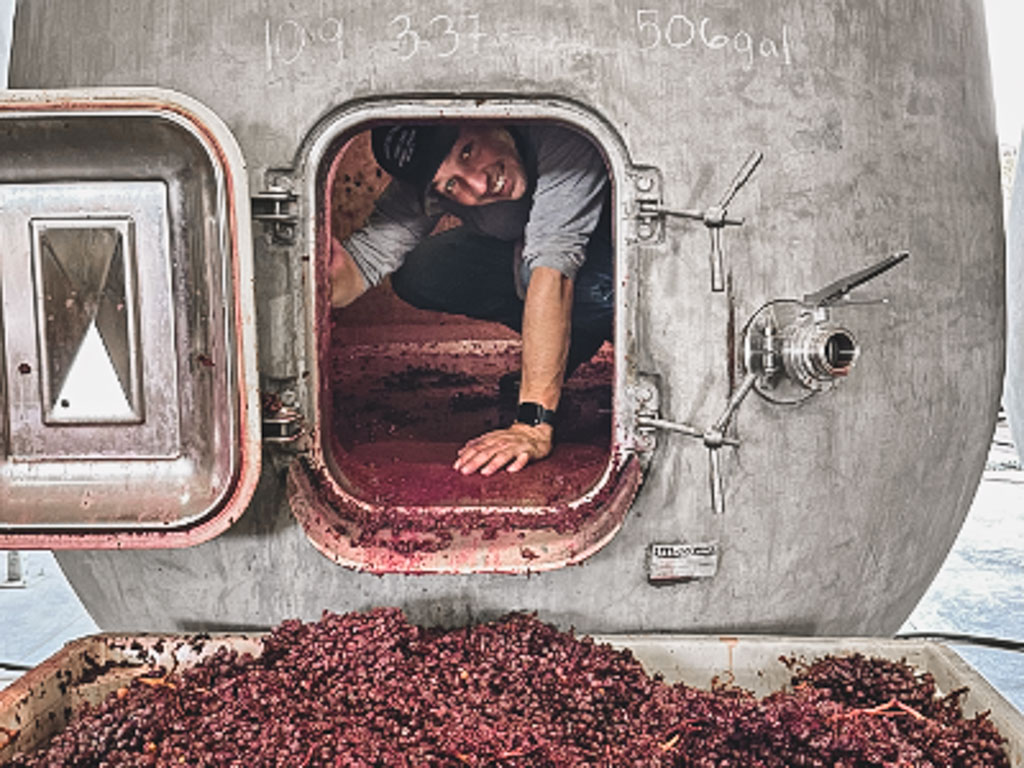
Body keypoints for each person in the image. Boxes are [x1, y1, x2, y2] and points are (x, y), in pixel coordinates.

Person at [330, 121, 613, 476]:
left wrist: (532, 424)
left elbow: (553, 268)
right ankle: (570, 342)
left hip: (630, 272)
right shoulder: (427, 185)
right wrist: (324, 272)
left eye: (468, 151)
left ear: (484, 118)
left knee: (579, 282)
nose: (478, 184)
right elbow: (361, 265)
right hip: (543, 263)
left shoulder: (558, 132)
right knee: (425, 270)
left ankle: (576, 338)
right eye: (451, 184)